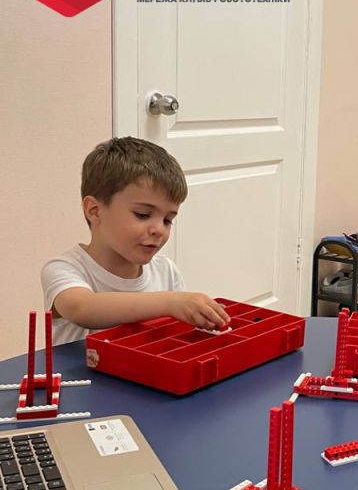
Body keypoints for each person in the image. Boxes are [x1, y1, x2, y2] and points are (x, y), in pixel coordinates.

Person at [41, 136, 230, 345]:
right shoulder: (65, 268)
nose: (159, 229)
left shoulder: (166, 271)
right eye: (142, 214)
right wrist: (170, 302)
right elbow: (82, 308)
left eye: (167, 220)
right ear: (94, 211)